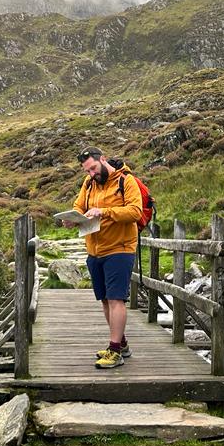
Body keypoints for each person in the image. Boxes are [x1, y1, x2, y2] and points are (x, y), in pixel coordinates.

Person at [66, 146, 143, 368]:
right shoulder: (89, 184)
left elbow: (135, 212)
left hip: (120, 248)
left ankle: (115, 351)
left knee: (117, 298)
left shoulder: (126, 180)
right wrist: (73, 219)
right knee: (106, 300)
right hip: (95, 250)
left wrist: (104, 211)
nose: (91, 174)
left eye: (93, 168)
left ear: (103, 159)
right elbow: (79, 206)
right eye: (87, 171)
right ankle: (122, 343)